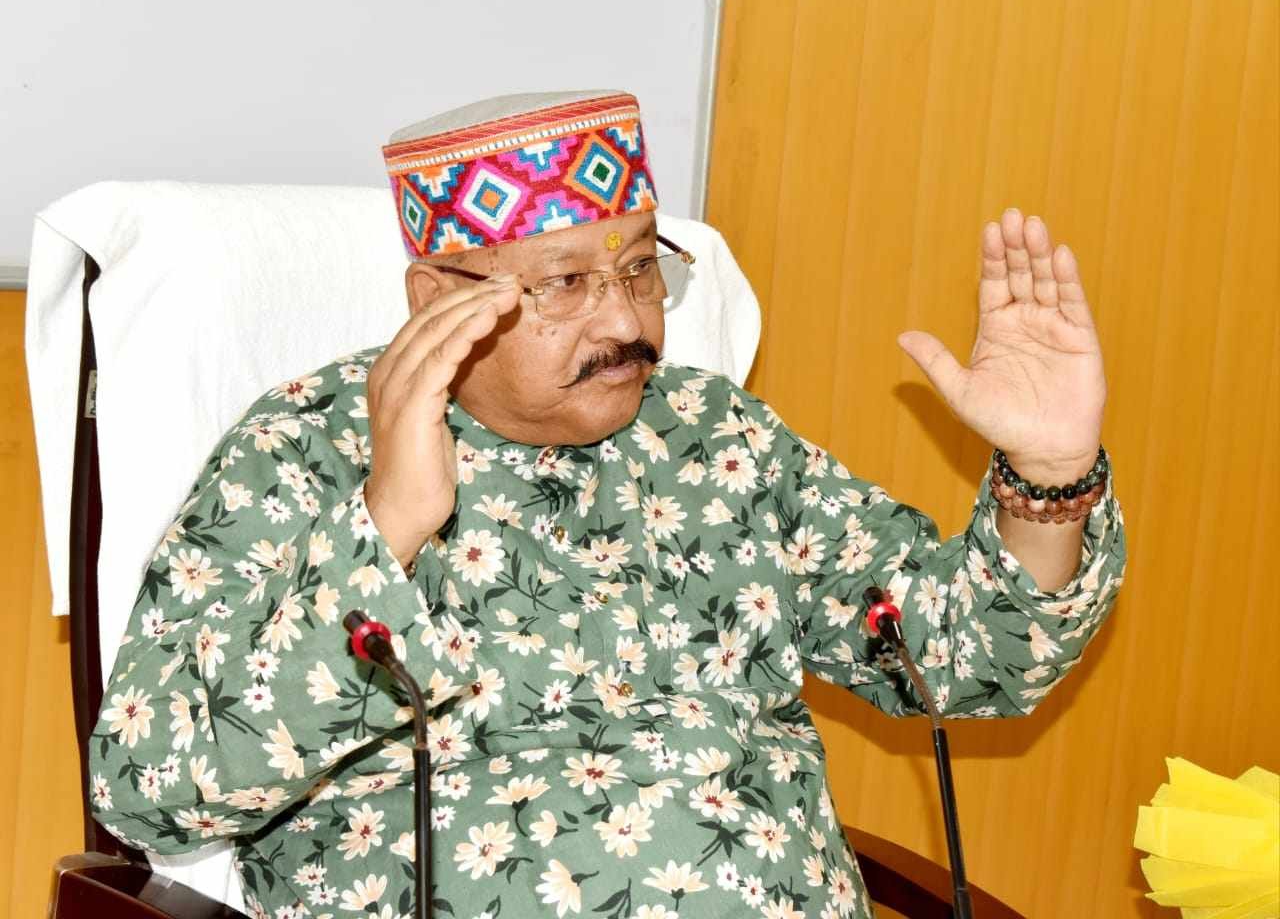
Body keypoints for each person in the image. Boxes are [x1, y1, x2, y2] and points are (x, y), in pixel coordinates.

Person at [88, 90, 1126, 919]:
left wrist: (1047, 475)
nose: (627, 323)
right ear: (437, 300)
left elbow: (959, 659)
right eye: (566, 285)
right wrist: (386, 525)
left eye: (638, 271)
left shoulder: (714, 434)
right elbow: (147, 793)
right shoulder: (303, 450)